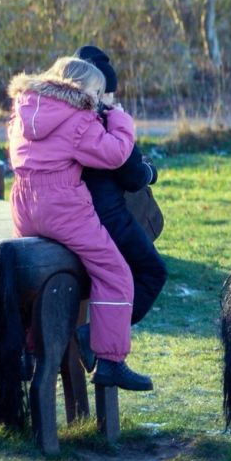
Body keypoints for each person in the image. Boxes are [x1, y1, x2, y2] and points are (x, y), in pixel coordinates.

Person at [6, 56, 152, 390]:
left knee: (31, 280)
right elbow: (113, 154)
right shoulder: (77, 116)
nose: (100, 101)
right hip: (62, 204)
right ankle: (111, 361)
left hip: (23, 203)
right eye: (98, 92)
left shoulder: (23, 109)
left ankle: (26, 353)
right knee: (114, 272)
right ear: (82, 88)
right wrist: (120, 119)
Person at [74, 46, 167, 325]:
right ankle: (100, 334)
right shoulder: (103, 121)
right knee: (153, 272)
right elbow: (132, 175)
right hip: (108, 217)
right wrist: (150, 170)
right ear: (100, 91)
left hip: (66, 212)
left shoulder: (64, 118)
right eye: (111, 92)